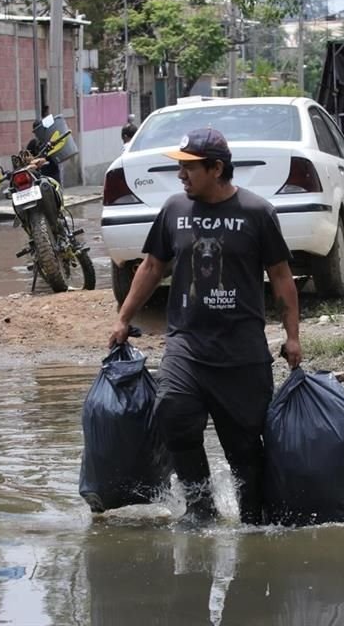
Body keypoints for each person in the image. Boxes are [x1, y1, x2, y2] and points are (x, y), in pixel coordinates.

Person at [108, 128, 302, 526]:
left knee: (245, 449)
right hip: (187, 346)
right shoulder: (174, 210)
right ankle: (201, 507)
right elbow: (152, 266)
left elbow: (281, 276)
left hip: (242, 354)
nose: (180, 174)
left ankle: (253, 523)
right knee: (172, 413)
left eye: (189, 167)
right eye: (180, 166)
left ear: (216, 168)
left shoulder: (257, 212)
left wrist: (292, 335)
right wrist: (124, 318)